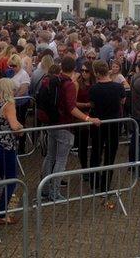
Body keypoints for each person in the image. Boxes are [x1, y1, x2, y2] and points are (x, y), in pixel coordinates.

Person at [39, 57, 100, 201]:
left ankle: (45, 190)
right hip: (65, 125)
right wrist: (88, 118)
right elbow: (71, 107)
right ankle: (54, 192)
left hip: (51, 123)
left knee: (50, 156)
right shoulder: (69, 85)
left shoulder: (51, 79)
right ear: (74, 69)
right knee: (60, 160)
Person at [88, 60, 126, 208]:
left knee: (96, 153)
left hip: (98, 123)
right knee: (110, 154)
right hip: (113, 124)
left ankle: (94, 182)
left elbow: (92, 104)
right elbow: (122, 101)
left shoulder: (94, 89)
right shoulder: (118, 87)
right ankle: (105, 185)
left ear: (97, 73)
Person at [0, 78, 23, 224]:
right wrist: (21, 129)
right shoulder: (9, 105)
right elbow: (14, 126)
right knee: (11, 179)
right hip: (6, 145)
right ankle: (1, 214)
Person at [75, 61, 95, 169]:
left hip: (93, 115)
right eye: (82, 70)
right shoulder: (78, 83)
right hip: (81, 117)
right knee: (82, 145)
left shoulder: (95, 84)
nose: (83, 73)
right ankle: (84, 167)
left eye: (86, 71)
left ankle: (92, 166)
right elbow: (73, 103)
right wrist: (86, 104)